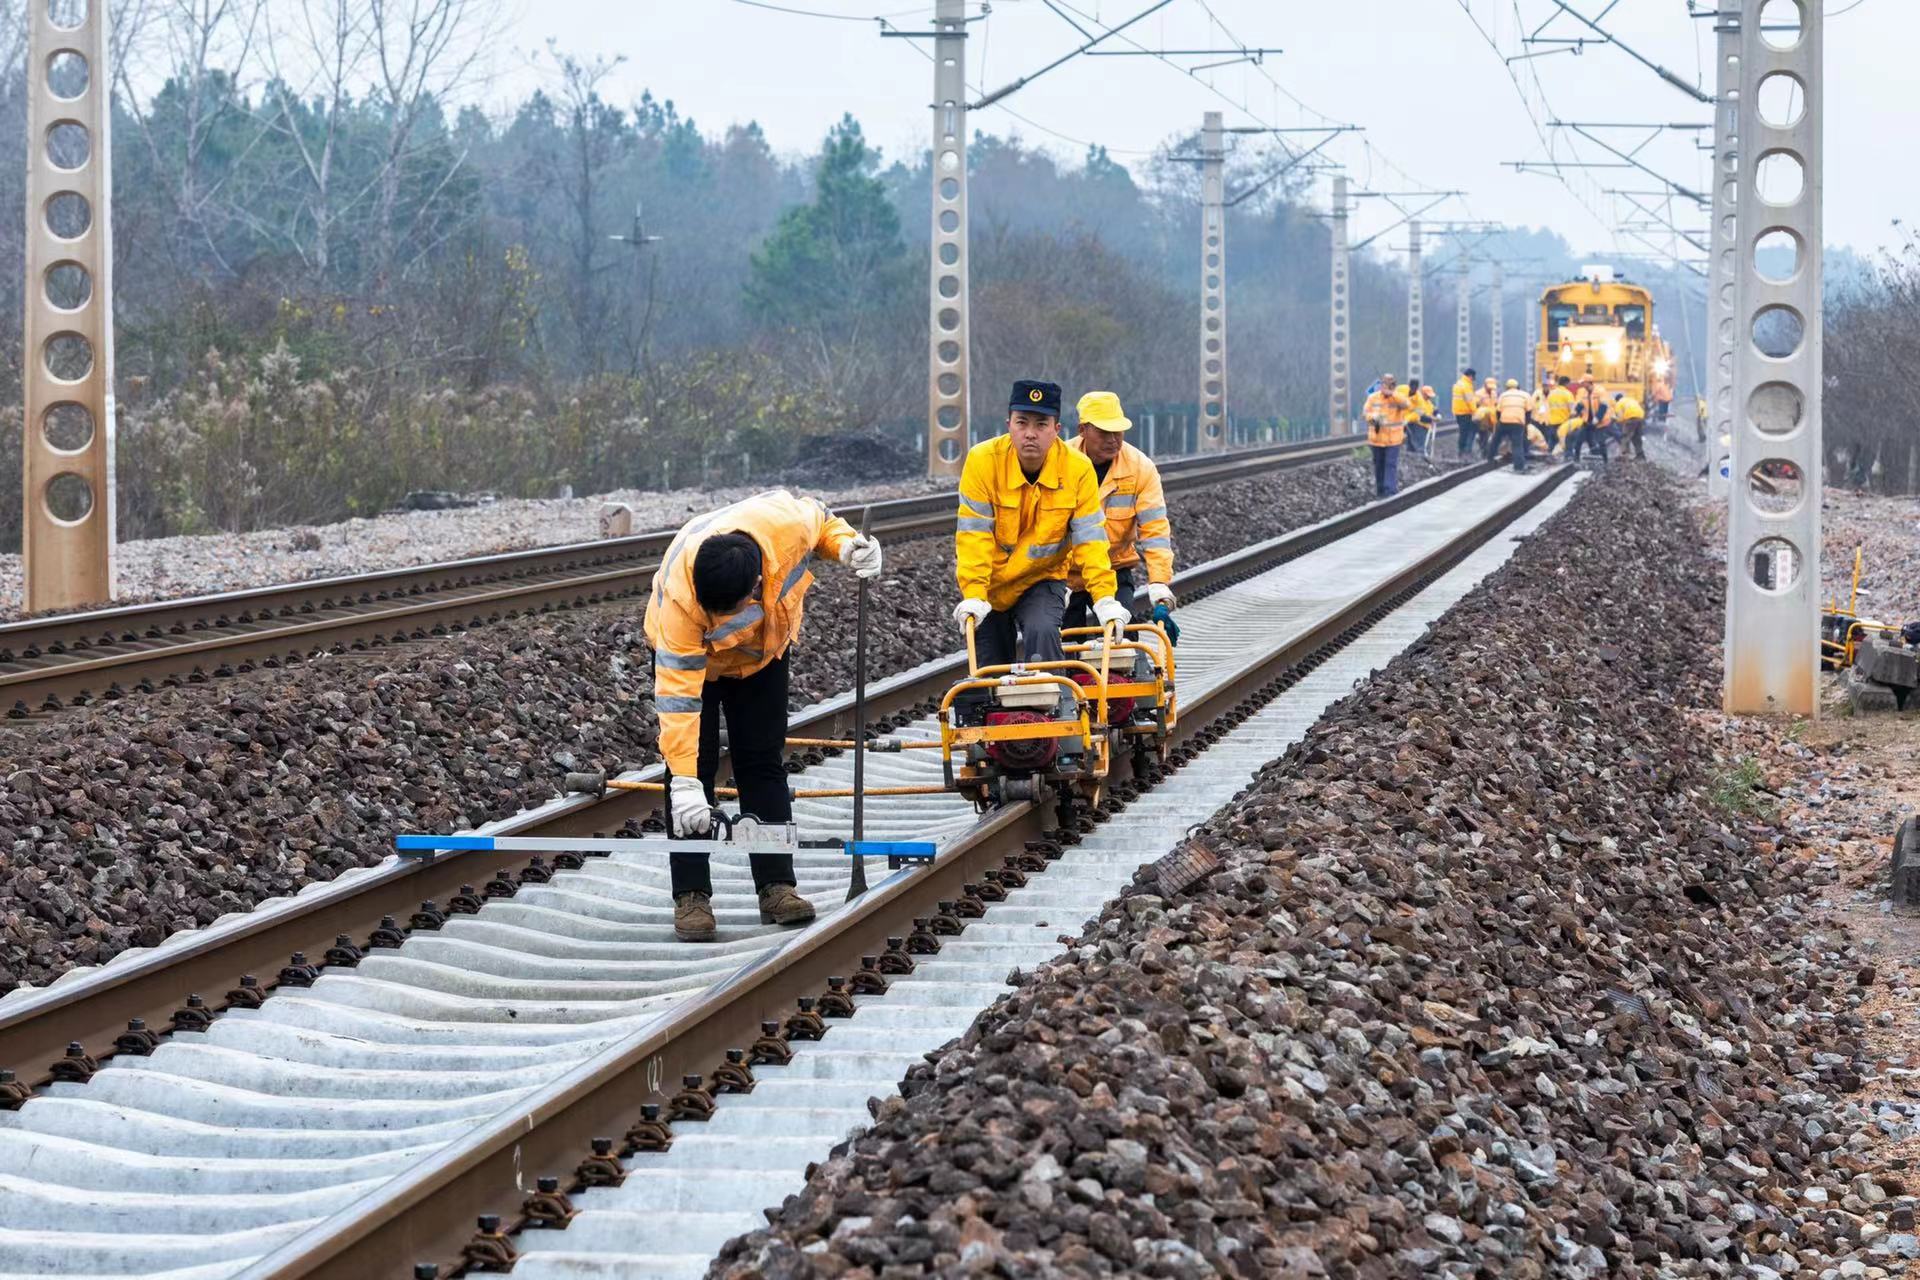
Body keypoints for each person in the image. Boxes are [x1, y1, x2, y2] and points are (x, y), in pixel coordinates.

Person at [646, 490, 884, 941]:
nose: (718, 620)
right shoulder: (682, 605)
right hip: (698, 666)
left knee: (762, 762)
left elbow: (824, 522)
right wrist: (683, 783)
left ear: (756, 583)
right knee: (694, 768)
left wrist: (848, 545)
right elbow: (677, 703)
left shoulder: (785, 522)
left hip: (763, 659)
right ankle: (691, 897)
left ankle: (777, 887)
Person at [954, 379, 1125, 670]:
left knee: (1043, 633)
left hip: (1041, 579)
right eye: (1022, 423)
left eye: (1041, 424)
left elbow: (1091, 540)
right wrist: (974, 595)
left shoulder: (1077, 468)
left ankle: (1053, 708)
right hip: (992, 584)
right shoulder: (982, 461)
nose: (1030, 434)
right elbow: (974, 536)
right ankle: (993, 714)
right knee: (987, 670)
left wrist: (1105, 598)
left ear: (1057, 430)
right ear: (1008, 424)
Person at [1064, 390, 1175, 630]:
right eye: (1104, 432)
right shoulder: (1059, 463)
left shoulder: (1139, 468)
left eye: (1118, 431)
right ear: (1082, 430)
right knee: (1063, 646)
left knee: (1122, 640)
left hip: (1114, 569)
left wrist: (1159, 583)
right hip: (1066, 576)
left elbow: (1155, 531)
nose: (1113, 439)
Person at [1363, 374, 1411, 496]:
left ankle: (1390, 491)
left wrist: (1392, 394)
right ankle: (1380, 491)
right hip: (1376, 439)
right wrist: (1374, 419)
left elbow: (1407, 405)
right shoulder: (1373, 398)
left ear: (1393, 385)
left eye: (1389, 384)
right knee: (1379, 465)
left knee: (1390, 464)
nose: (1385, 387)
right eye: (1384, 384)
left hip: (1393, 440)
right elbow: (1365, 413)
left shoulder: (1398, 398)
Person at [1494, 378, 1533, 473]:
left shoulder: (1503, 395)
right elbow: (1528, 411)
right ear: (1518, 387)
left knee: (1495, 440)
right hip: (1518, 422)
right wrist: (1526, 423)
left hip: (1504, 421)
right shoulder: (1525, 395)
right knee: (1517, 445)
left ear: (1506, 387)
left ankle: (1490, 458)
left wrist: (1499, 422)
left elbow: (1498, 411)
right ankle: (1519, 467)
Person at [1452, 368, 1479, 458]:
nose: (1473, 380)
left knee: (1463, 432)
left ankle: (1462, 451)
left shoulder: (1458, 384)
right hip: (1465, 412)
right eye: (1473, 377)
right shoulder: (1466, 386)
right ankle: (1465, 451)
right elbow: (1470, 400)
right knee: (1467, 432)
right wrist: (1475, 412)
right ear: (1470, 376)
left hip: (1458, 412)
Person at [1614, 390, 1648, 459]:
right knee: (1636, 437)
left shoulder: (1619, 403)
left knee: (1625, 436)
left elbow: (1620, 418)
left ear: (1617, 400)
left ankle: (1624, 454)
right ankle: (1640, 454)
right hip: (1640, 417)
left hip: (1631, 418)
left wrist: (1616, 421)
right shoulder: (1631, 400)